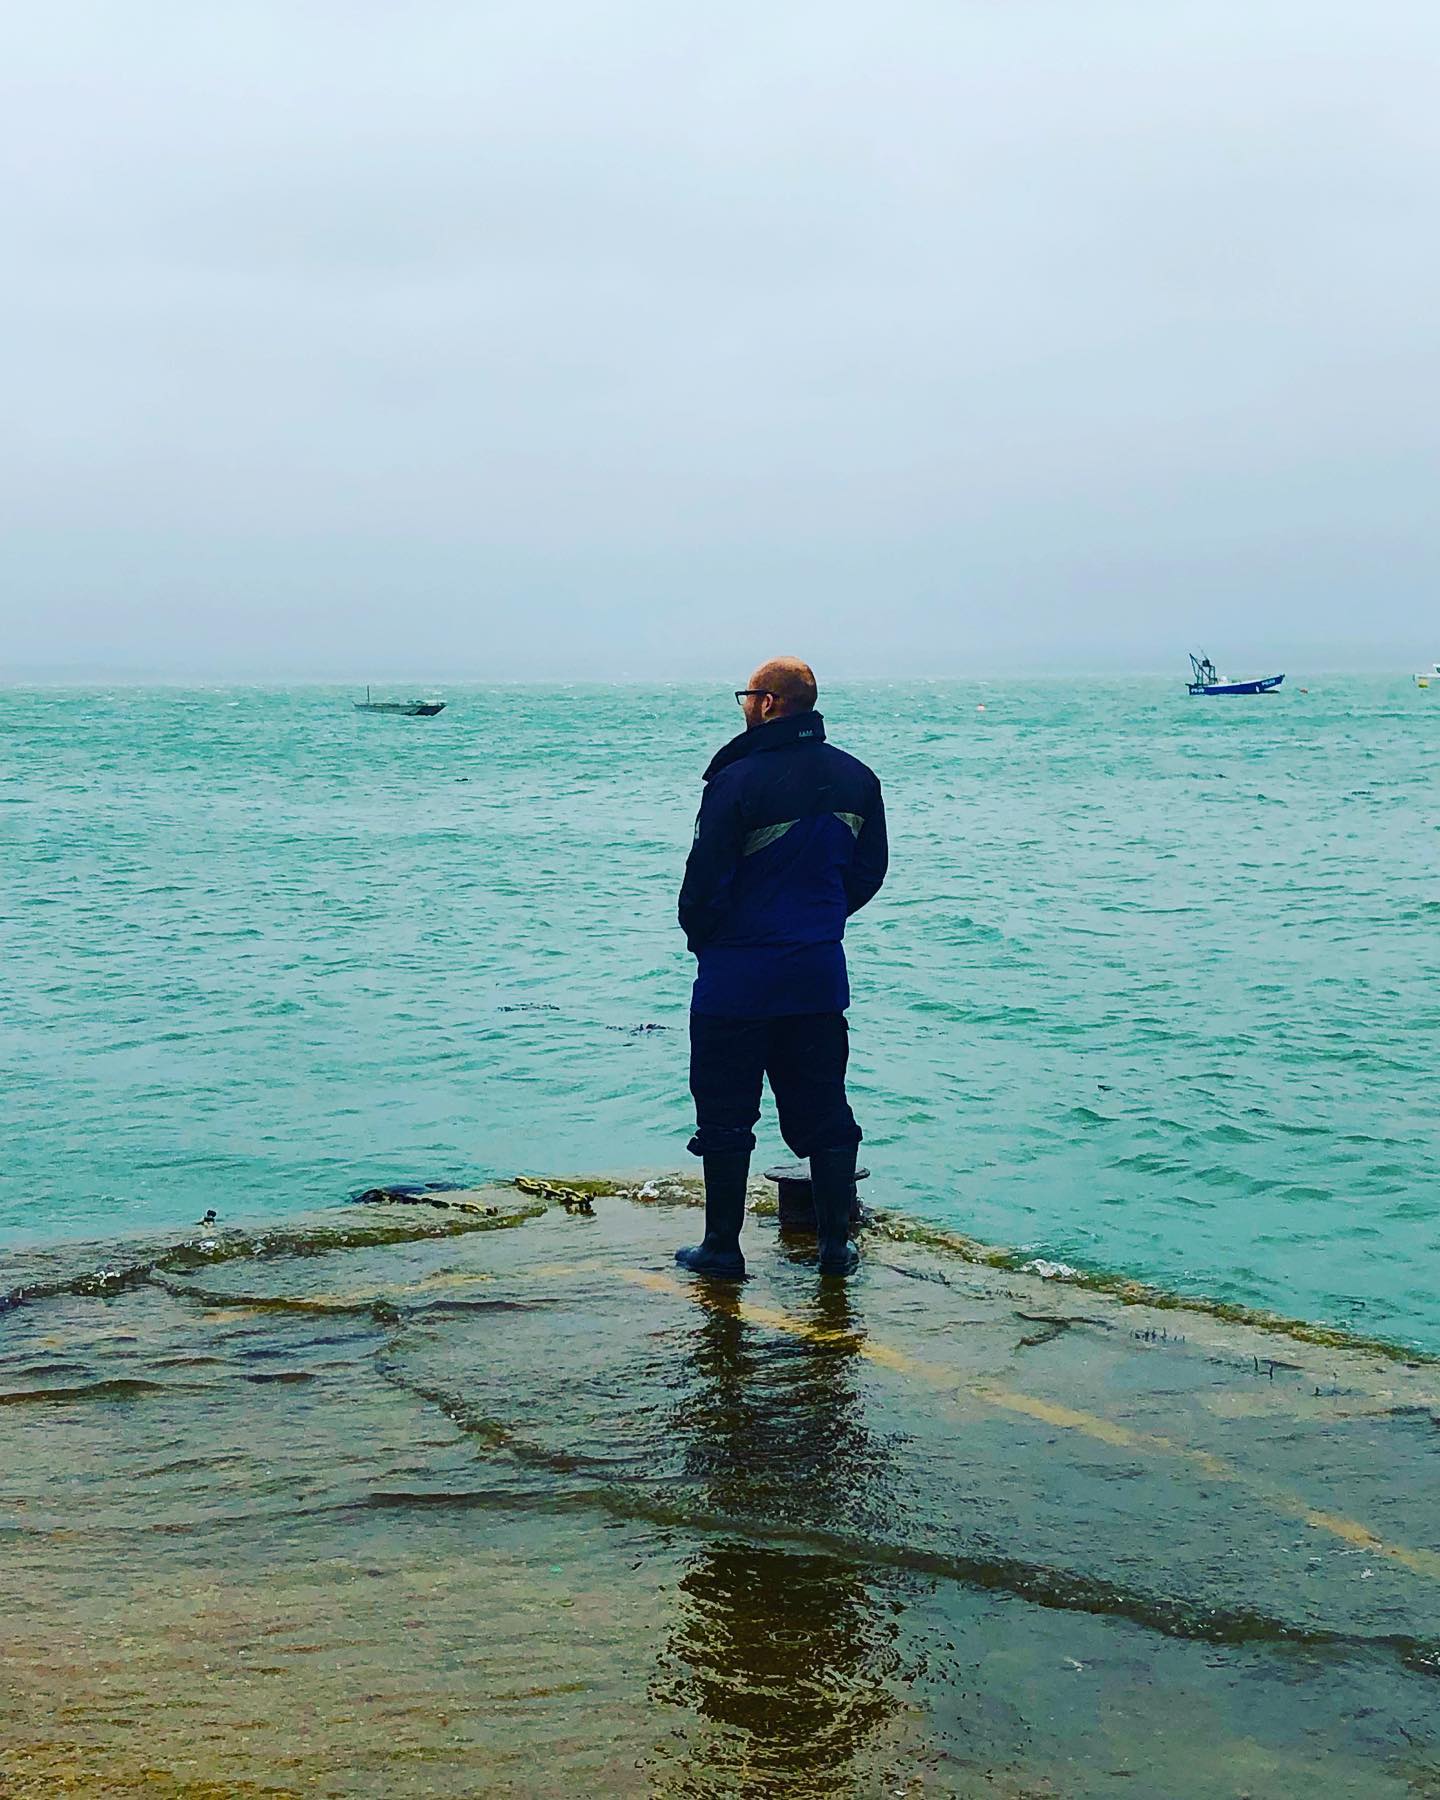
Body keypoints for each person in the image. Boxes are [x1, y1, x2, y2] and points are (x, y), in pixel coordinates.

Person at [675, 658, 888, 1278]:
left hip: (736, 980)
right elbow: (869, 873)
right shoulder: (857, 777)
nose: (744, 704)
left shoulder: (737, 782)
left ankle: (722, 1247)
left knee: (724, 1115)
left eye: (748, 695)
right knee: (826, 1112)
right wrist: (819, 921)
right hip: (817, 974)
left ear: (768, 704)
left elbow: (703, 883)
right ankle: (834, 1246)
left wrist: (706, 940)